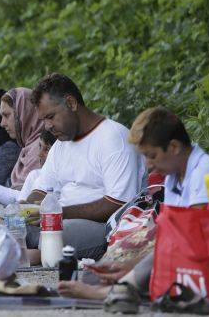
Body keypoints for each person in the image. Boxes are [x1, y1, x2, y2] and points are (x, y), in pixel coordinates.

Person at [58, 107, 209, 312]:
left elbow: (191, 241)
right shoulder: (173, 177)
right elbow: (170, 237)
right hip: (183, 258)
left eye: (151, 155)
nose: (149, 165)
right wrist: (131, 265)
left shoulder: (205, 171)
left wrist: (139, 268)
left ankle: (117, 291)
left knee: (135, 267)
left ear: (173, 147)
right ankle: (125, 285)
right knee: (96, 275)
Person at [24, 73, 146, 260]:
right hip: (58, 220)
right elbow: (41, 190)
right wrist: (25, 208)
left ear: (71, 103)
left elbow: (119, 203)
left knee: (56, 237)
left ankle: (25, 260)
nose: (47, 126)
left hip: (102, 227)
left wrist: (60, 214)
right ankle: (19, 258)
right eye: (43, 120)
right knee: (5, 226)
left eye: (50, 116)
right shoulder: (60, 144)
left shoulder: (114, 138)